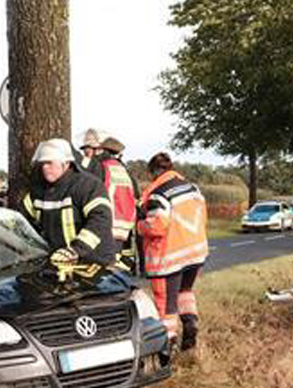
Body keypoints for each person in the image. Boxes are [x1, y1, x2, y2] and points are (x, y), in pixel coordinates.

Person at [138, 152, 209, 349]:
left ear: (153, 172)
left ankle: (167, 347)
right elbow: (203, 217)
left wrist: (139, 226)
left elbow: (157, 226)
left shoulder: (158, 194)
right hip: (196, 253)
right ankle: (190, 323)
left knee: (165, 305)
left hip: (169, 259)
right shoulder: (193, 189)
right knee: (185, 292)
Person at [22, 138, 115, 280]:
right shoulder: (38, 191)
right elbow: (21, 221)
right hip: (59, 265)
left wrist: (76, 250)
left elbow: (101, 219)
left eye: (49, 163)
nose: (44, 168)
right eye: (42, 164)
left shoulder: (88, 186)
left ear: (66, 163)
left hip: (93, 264)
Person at [81, 134, 140, 271]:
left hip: (107, 221)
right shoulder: (124, 170)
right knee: (118, 262)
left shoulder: (101, 167)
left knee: (103, 266)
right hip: (125, 224)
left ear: (102, 150)